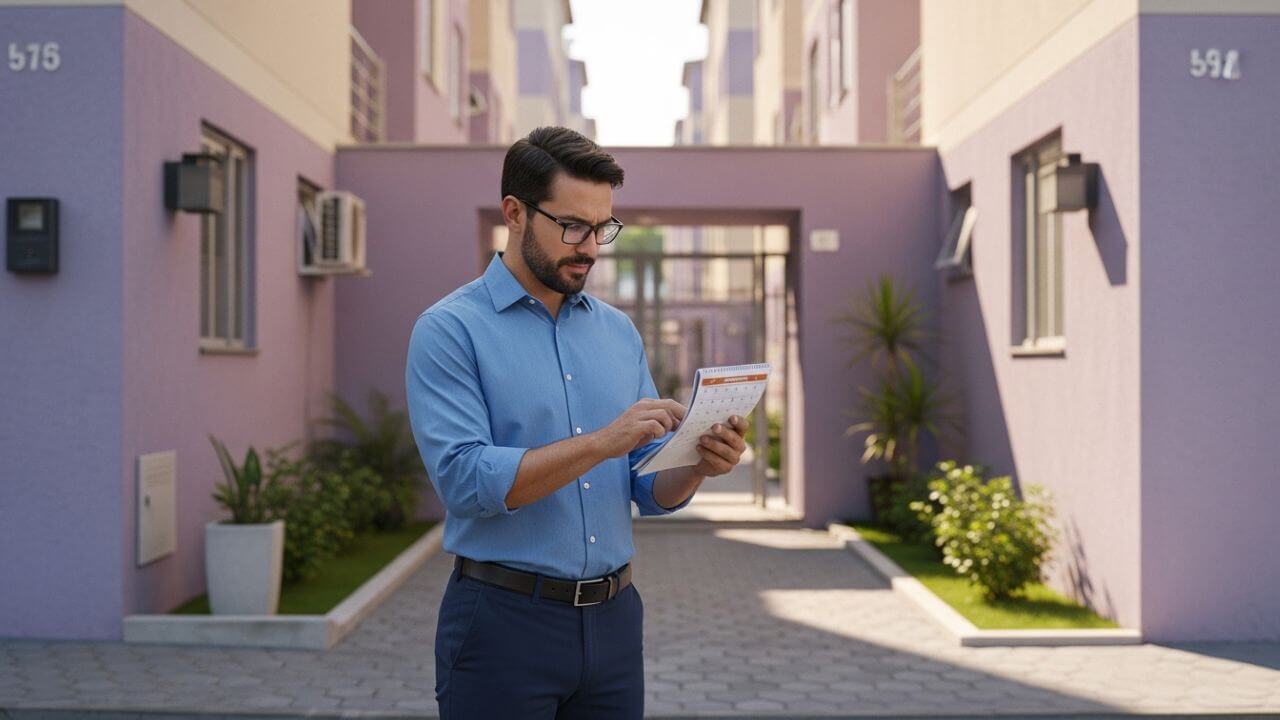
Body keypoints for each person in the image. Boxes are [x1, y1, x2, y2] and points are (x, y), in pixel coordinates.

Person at [405, 126, 749, 719]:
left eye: (601, 228)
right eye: (572, 226)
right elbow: (464, 482)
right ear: (514, 213)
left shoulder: (618, 333)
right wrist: (601, 442)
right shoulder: (449, 330)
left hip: (615, 622)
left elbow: (648, 485)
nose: (590, 247)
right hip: (502, 625)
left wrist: (697, 462)